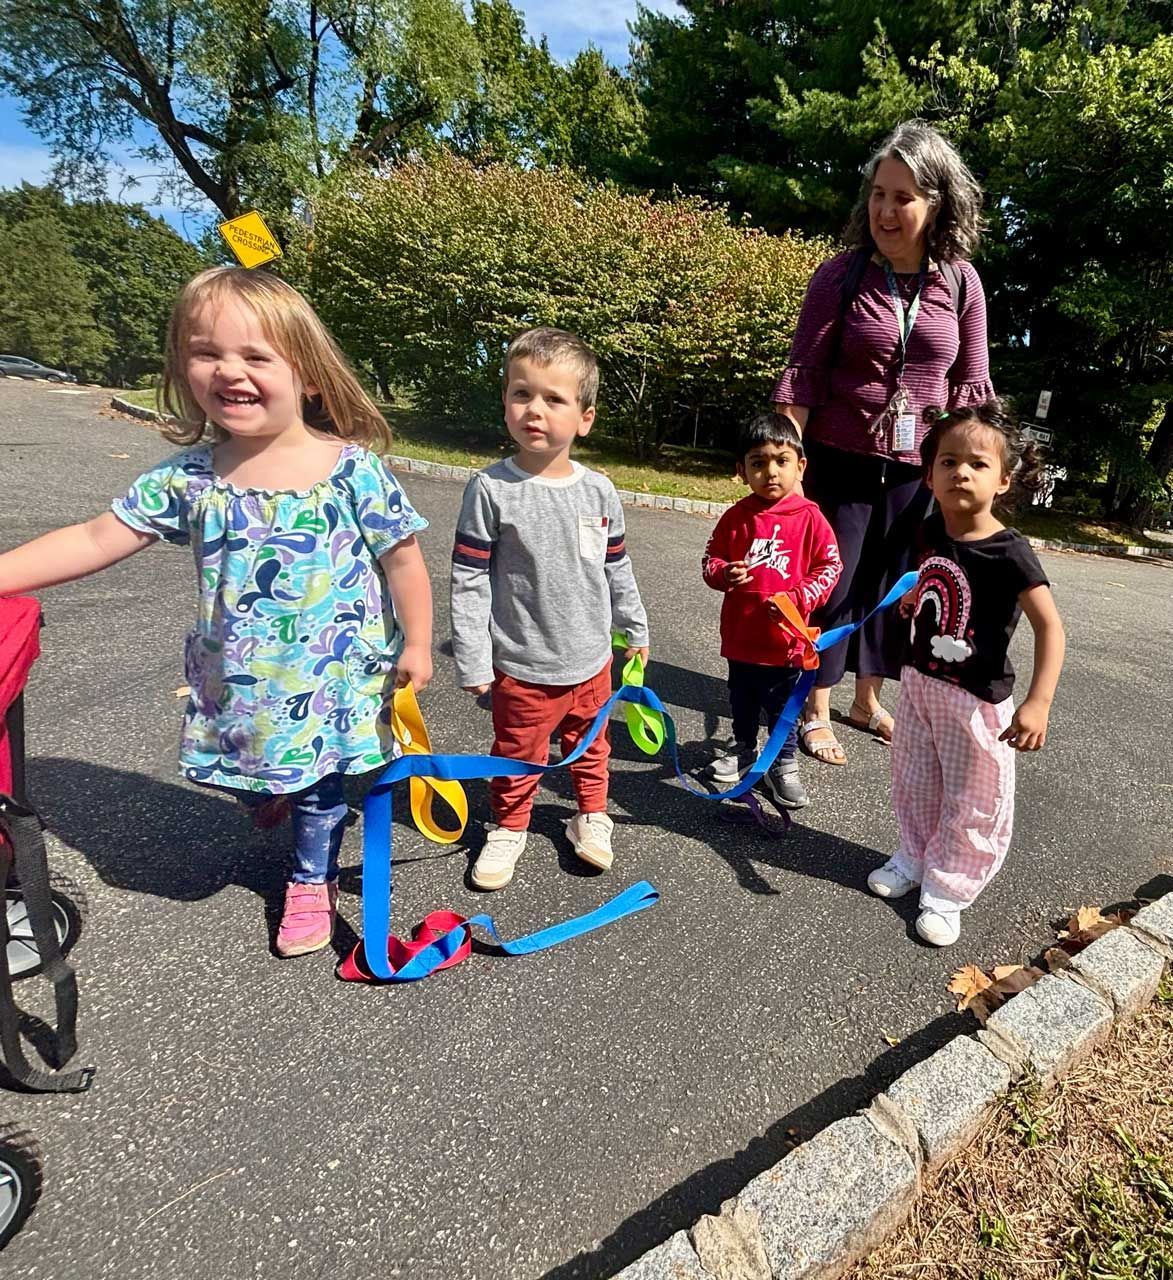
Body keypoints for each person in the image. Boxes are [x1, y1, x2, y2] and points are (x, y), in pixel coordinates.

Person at [0, 267, 433, 959]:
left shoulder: (351, 472)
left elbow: (403, 560)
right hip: (239, 680)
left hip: (330, 678)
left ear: (309, 376)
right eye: (206, 353)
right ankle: (275, 795)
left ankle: (308, 877)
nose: (229, 370)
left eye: (256, 356)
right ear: (183, 368)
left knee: (320, 786)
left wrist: (418, 642)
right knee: (239, 768)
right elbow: (95, 538)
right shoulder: (189, 479)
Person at [772, 119, 994, 767]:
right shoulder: (839, 277)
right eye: (877, 194)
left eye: (902, 197)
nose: (885, 210)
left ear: (936, 204)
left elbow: (970, 391)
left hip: (916, 473)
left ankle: (865, 699)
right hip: (837, 463)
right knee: (830, 588)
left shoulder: (960, 283)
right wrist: (785, 475)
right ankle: (814, 708)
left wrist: (972, 484)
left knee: (893, 590)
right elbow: (800, 381)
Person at [450, 327, 649, 890]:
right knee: (518, 753)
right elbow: (468, 579)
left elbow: (616, 565)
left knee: (591, 749)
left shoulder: (600, 491)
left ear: (584, 417)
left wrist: (634, 627)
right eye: (521, 394)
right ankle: (510, 826)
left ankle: (591, 814)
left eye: (554, 398)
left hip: (592, 661)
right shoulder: (490, 489)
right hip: (522, 665)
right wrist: (473, 657)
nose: (534, 409)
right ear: (506, 403)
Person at [868, 402, 1065, 946]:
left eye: (978, 464)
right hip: (919, 687)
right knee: (915, 779)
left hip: (976, 701)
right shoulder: (931, 531)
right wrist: (914, 602)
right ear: (928, 474)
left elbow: (1051, 628)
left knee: (975, 796)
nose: (961, 472)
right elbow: (934, 583)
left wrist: (1038, 702)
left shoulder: (1010, 552)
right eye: (948, 461)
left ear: (1004, 480)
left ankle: (950, 887)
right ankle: (914, 855)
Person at [700, 413, 842, 810]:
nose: (770, 472)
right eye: (758, 463)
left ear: (801, 466)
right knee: (741, 699)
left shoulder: (811, 518)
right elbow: (711, 560)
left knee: (782, 706)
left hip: (787, 642)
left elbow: (831, 567)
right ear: (741, 471)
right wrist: (725, 573)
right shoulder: (736, 517)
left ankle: (783, 762)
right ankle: (743, 748)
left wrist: (800, 596)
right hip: (742, 638)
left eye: (781, 461)